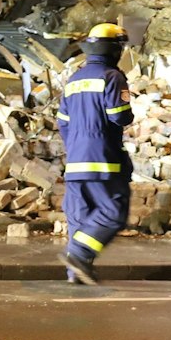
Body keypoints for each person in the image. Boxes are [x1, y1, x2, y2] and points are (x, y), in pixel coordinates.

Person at [59, 22, 135, 286]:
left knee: (80, 217)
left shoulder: (73, 80)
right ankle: (79, 255)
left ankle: (76, 274)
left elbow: (63, 123)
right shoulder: (112, 77)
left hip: (75, 160)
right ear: (114, 49)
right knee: (112, 212)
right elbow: (119, 117)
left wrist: (77, 147)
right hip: (103, 160)